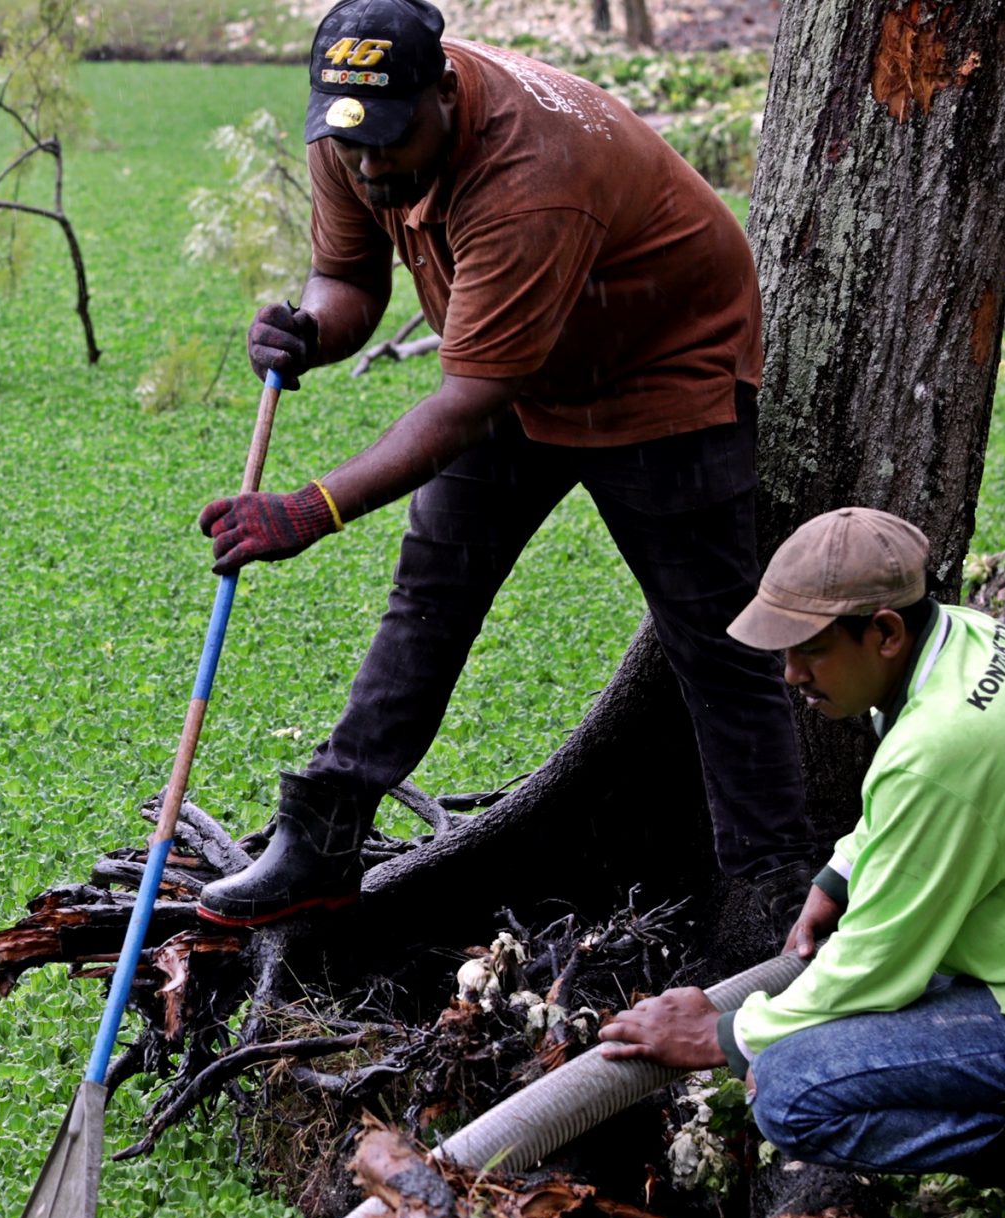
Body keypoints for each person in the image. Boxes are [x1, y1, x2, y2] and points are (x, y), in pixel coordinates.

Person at [195, 0, 818, 929]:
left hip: (660, 369)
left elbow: (467, 399)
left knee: (718, 648)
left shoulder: (530, 178)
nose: (370, 169)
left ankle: (771, 895)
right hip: (523, 366)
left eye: (392, 145)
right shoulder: (361, 121)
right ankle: (322, 838)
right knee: (431, 589)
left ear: (444, 92)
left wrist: (312, 509)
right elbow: (352, 282)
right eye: (353, 147)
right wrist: (311, 330)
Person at [598, 508, 1005, 1218]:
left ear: (885, 632)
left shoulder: (943, 745)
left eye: (808, 649)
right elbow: (912, 817)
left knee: (790, 1091)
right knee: (828, 1029)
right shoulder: (961, 644)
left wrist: (723, 1034)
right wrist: (839, 878)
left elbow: (875, 967)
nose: (790, 674)